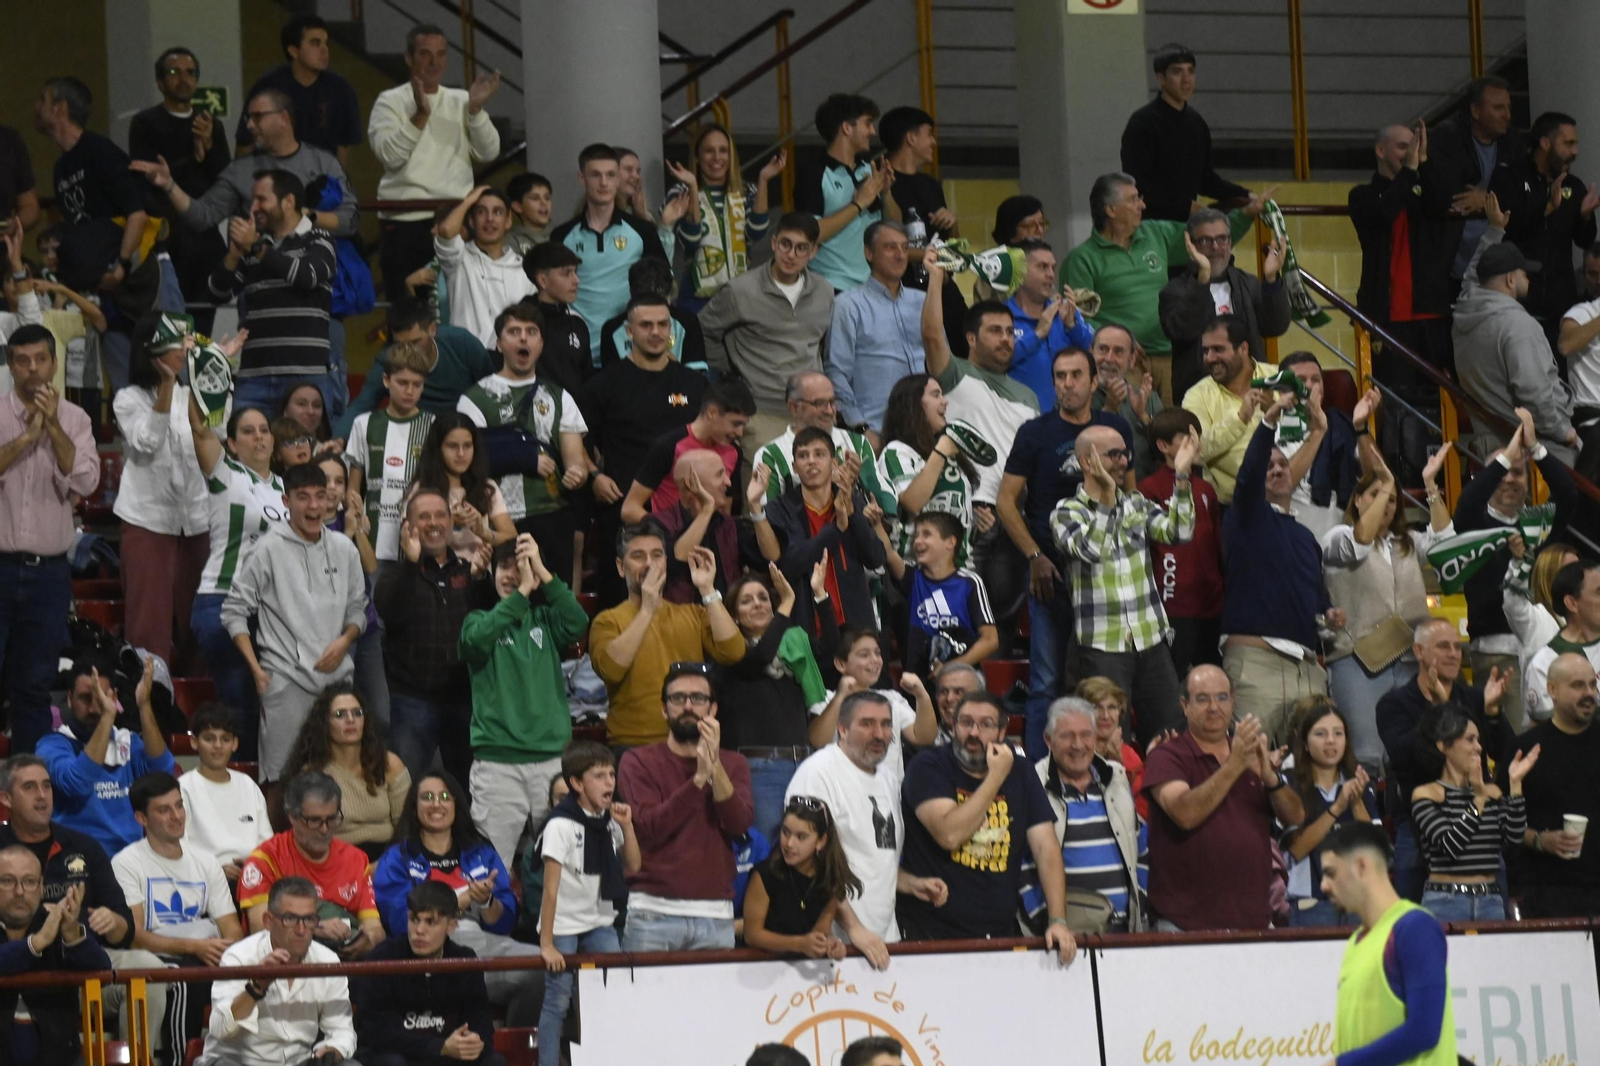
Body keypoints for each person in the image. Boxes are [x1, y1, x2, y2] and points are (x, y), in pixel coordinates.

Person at [999, 346, 1135, 757]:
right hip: (1051, 575)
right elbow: (1006, 502)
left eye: (1076, 375)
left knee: (1105, 681)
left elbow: (1131, 497)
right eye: (1060, 376)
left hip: (1104, 579)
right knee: (1045, 681)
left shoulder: (1114, 429)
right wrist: (1034, 556)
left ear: (1094, 383)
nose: (1067, 384)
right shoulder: (1034, 433)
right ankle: (1038, 771)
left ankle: (1111, 762)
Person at [921, 251, 1039, 655]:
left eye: (1009, 332)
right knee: (958, 617)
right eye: (994, 331)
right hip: (968, 514)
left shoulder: (1028, 396)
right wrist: (936, 279)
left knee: (1001, 622)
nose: (1006, 338)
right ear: (971, 339)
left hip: (1015, 515)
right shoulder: (954, 374)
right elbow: (932, 336)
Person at [1051, 423, 1198, 745]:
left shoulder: (1136, 503)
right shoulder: (1066, 512)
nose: (1123, 461)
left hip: (1150, 639)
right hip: (1102, 645)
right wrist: (1105, 501)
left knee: (1171, 734)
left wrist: (1182, 476)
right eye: (1113, 454)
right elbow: (1092, 550)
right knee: (1110, 737)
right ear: (1087, 462)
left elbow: (1180, 533)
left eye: (1125, 454)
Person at [900, 691, 1075, 959]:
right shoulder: (928, 766)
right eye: (966, 722)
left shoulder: (1022, 771)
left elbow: (1045, 848)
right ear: (953, 726)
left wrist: (1058, 920)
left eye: (986, 724)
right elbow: (949, 835)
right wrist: (995, 778)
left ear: (1002, 731)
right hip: (931, 933)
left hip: (1000, 931)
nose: (974, 732)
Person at [222, 462, 367, 785]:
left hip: (338, 684)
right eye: (303, 497)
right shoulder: (266, 549)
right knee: (283, 779)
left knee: (339, 780)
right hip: (285, 681)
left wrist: (345, 640)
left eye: (320, 496)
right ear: (286, 501)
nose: (314, 505)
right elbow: (233, 611)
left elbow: (358, 609)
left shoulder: (344, 548)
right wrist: (257, 671)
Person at [1064, 173, 1261, 402]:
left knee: (1175, 421)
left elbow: (1207, 237)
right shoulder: (1082, 259)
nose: (1142, 205)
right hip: (1124, 362)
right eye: (1133, 200)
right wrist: (1120, 338)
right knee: (1132, 421)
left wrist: (1246, 214)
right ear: (1111, 210)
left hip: (1171, 356)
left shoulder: (1155, 233)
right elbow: (1077, 316)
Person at [1142, 666, 1306, 931]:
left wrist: (1270, 777)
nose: (1213, 707)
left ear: (1233, 701)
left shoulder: (1251, 753)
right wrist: (1234, 765)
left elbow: (1295, 817)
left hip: (1254, 920)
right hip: (1184, 924)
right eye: (1202, 699)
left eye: (1221, 697)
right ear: (1184, 705)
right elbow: (1185, 814)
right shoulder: (1167, 756)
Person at [460, 535, 589, 867]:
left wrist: (543, 573)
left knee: (566, 866)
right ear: (491, 572)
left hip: (553, 761)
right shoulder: (477, 621)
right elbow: (476, 640)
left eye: (521, 568)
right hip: (498, 765)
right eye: (504, 567)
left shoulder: (545, 620)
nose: (511, 575)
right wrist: (522, 592)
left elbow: (578, 622)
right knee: (491, 870)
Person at [0, 755, 148, 1044]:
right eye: (29, 787)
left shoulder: (84, 846)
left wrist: (110, 922)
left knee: (146, 967)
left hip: (78, 957)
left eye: (46, 786)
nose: (42, 796)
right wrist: (37, 940)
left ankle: (143, 1058)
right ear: (6, 799)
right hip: (15, 955)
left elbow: (125, 929)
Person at [1220, 396, 1342, 744]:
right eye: (1268, 466)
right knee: (1252, 762)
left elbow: (1316, 595)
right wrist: (1269, 421)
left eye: (1283, 464)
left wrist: (1329, 613)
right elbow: (1249, 474)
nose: (1277, 470)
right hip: (1256, 665)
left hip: (1306, 667)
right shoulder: (1244, 519)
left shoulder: (1306, 537)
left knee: (1312, 764)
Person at [1322, 450, 1454, 769]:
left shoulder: (1406, 541)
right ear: (1357, 500)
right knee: (1367, 755)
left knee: (1415, 752)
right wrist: (1387, 483)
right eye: (1376, 494)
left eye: (1393, 499)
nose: (1387, 504)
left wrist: (1430, 485)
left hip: (1410, 661)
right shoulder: (1337, 537)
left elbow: (1446, 544)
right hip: (1357, 661)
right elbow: (1359, 543)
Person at [0, 325, 98, 755]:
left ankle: (27, 778)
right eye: (23, 360)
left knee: (35, 685)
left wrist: (53, 426)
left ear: (55, 364)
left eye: (41, 359)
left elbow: (87, 481)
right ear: (10, 365)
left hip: (49, 574)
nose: (33, 369)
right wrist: (26, 437)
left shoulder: (76, 420)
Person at [1454, 408, 1581, 728]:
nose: (1510, 478)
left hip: (1547, 645)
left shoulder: (1538, 523)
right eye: (1502, 472)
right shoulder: (1474, 524)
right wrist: (1507, 457)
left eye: (1517, 472)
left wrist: (1535, 448)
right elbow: (1467, 503)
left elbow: (1567, 495)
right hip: (1497, 652)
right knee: (1512, 743)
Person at [372, 770, 536, 1017]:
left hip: (482, 942)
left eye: (445, 797)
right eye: (427, 797)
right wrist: (463, 899)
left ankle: (521, 1040)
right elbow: (399, 921)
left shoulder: (481, 852)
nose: (437, 804)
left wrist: (486, 901)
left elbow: (504, 924)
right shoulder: (397, 857)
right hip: (427, 950)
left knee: (540, 965)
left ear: (457, 805)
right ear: (413, 807)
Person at [786, 691, 942, 948]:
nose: (879, 734)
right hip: (833, 942)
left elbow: (873, 856)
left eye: (886, 724)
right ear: (842, 729)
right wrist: (853, 927)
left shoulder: (888, 778)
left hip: (883, 936)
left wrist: (910, 883)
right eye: (867, 724)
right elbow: (805, 862)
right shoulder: (817, 773)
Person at [1376, 617, 1516, 902]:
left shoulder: (1475, 698)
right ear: (1419, 652)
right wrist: (1440, 710)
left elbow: (1505, 752)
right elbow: (1405, 756)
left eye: (1457, 647)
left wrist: (1492, 713)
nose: (1454, 654)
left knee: (1495, 924)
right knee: (1414, 919)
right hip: (1419, 826)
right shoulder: (1394, 704)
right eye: (1443, 646)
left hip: (1480, 824)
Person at [581, 295, 709, 604]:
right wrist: (595, 475)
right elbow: (576, 439)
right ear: (629, 331)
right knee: (620, 604)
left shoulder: (695, 384)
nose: (655, 332)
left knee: (686, 603)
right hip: (625, 509)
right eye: (646, 325)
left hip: (685, 512)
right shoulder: (604, 385)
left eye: (663, 324)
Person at [617, 664, 753, 950]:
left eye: (698, 698)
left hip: (716, 916)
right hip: (652, 913)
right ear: (664, 709)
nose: (688, 706)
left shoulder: (734, 763)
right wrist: (698, 779)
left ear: (712, 709)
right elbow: (650, 828)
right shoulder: (638, 761)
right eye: (678, 698)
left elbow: (739, 824)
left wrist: (714, 766)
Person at [112, 771, 245, 1058]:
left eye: (179, 805)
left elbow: (232, 929)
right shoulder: (126, 863)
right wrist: (193, 947)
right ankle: (178, 1059)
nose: (176, 816)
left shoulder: (206, 862)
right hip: (157, 955)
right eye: (164, 810)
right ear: (142, 818)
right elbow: (135, 937)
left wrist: (223, 951)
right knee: (186, 979)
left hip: (203, 951)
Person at [369, 23, 502, 303]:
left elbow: (489, 151)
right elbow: (390, 157)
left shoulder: (462, 100)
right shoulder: (389, 101)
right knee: (408, 312)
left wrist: (475, 110)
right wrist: (420, 115)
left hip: (456, 220)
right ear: (409, 58)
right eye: (425, 54)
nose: (434, 62)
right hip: (404, 222)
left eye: (441, 54)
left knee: (463, 306)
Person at [589, 520, 746, 749]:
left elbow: (734, 651)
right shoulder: (607, 621)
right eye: (638, 556)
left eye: (657, 555)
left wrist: (707, 589)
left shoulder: (693, 614)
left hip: (692, 742)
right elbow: (611, 670)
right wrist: (647, 609)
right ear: (621, 567)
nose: (649, 563)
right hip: (634, 747)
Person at [373, 489, 493, 785]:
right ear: (408, 526)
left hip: (464, 699)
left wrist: (482, 580)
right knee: (404, 788)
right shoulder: (395, 573)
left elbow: (490, 624)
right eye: (423, 516)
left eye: (440, 515)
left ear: (451, 522)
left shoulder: (470, 570)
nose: (433, 522)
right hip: (413, 699)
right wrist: (412, 563)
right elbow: (391, 612)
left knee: (469, 788)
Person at [204, 169, 343, 417]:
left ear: (288, 201)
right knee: (244, 440)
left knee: (304, 442)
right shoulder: (254, 245)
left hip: (305, 377)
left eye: (261, 199)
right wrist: (234, 254)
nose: (253, 208)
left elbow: (307, 276)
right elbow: (217, 294)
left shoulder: (320, 238)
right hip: (254, 377)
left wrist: (258, 249)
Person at [534, 742, 639, 1066]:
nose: (609, 782)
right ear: (577, 783)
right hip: (563, 923)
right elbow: (550, 890)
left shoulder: (609, 821)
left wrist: (627, 826)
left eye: (611, 774)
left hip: (599, 919)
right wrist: (547, 944)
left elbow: (634, 865)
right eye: (599, 776)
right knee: (558, 1000)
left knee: (611, 991)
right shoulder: (560, 825)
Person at [1319, 822, 1458, 1065]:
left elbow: (1424, 1031)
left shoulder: (1414, 927)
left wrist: (1343, 1064)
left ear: (1361, 867)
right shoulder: (1356, 942)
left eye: (1331, 873)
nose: (1323, 885)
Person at [1453, 197, 1578, 463]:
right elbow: (1534, 394)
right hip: (1538, 449)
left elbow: (1473, 276)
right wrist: (1563, 432)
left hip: (1491, 445)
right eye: (1523, 273)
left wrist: (1495, 229)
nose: (1528, 278)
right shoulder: (1517, 325)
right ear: (1510, 279)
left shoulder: (1465, 311)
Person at [700, 212, 834, 443]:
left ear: (813, 252)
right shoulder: (740, 291)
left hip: (813, 412)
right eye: (785, 244)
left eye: (801, 248)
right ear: (773, 243)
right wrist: (730, 369)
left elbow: (820, 345)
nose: (791, 254)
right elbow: (702, 329)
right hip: (761, 412)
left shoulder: (824, 290)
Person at [716, 566, 829, 840]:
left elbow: (831, 650)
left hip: (803, 764)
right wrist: (786, 603)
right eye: (746, 601)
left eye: (763, 597)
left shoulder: (793, 647)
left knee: (809, 851)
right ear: (734, 616)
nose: (757, 604)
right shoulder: (730, 655)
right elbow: (761, 656)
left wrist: (820, 594)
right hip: (759, 770)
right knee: (769, 852)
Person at [198, 876, 357, 1066]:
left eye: (308, 919)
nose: (301, 930)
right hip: (236, 1062)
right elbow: (220, 1029)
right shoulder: (239, 957)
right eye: (290, 919)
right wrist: (256, 987)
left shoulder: (328, 961)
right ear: (268, 921)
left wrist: (330, 1053)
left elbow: (342, 1031)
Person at [1349, 121, 1458, 388]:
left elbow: (1442, 202)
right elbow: (1384, 212)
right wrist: (1409, 172)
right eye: (1402, 147)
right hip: (1385, 316)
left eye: (1414, 147)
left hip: (1431, 315)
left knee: (1436, 397)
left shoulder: (1422, 191)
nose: (1410, 153)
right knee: (1393, 396)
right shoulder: (1362, 195)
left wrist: (1425, 162)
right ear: (1380, 150)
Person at [755, 428, 889, 639]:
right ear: (794, 467)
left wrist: (852, 515)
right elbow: (789, 566)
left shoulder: (852, 501)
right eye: (803, 456)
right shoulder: (780, 509)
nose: (811, 461)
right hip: (808, 629)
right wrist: (836, 530)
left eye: (819, 454)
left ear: (834, 463)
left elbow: (876, 557)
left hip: (856, 628)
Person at [353, 881, 504, 1066]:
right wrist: (438, 1046)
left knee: (492, 1061)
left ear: (452, 925)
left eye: (430, 922)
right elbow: (375, 1032)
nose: (419, 931)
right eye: (414, 919)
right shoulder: (382, 958)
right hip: (400, 1054)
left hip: (447, 1054)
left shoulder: (464, 959)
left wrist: (473, 1041)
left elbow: (481, 1021)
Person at [129, 47, 231, 319]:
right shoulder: (145, 123)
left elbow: (223, 178)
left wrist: (208, 145)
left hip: (205, 238)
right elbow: (147, 177)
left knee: (203, 318)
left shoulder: (210, 123)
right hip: (167, 237)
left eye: (190, 72)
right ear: (160, 82)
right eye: (174, 72)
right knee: (171, 321)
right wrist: (194, 158)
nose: (184, 79)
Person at [39, 656, 176, 856]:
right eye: (85, 698)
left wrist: (144, 705)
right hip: (76, 859)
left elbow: (163, 774)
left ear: (114, 698)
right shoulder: (53, 745)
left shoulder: (127, 741)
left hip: (130, 858)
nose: (95, 707)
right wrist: (107, 717)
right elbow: (76, 784)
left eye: (102, 697)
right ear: (69, 698)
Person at [33, 78, 151, 309]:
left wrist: (121, 266)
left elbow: (137, 215)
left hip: (143, 278)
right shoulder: (61, 169)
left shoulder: (98, 149)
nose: (36, 106)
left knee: (170, 334)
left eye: (43, 99)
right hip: (105, 287)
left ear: (60, 108)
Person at [238, 772, 384, 957]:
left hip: (345, 960)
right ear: (292, 817)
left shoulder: (356, 859)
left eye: (332, 819)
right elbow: (260, 927)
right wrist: (313, 928)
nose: (324, 829)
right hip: (282, 960)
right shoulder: (265, 860)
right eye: (314, 821)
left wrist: (368, 939)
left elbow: (375, 928)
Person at [1411, 705, 1535, 921]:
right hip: (1445, 901)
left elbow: (1513, 839)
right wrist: (1478, 800)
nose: (1478, 747)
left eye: (1478, 740)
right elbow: (1450, 845)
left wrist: (1515, 786)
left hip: (1491, 900)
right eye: (1470, 740)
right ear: (1444, 746)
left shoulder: (1491, 792)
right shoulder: (1427, 794)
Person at [1037, 698, 1148, 931]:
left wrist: (1141, 898)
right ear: (1048, 740)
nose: (1078, 745)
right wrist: (1043, 921)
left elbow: (1141, 845)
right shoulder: (1034, 785)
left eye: (1086, 735)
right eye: (1067, 736)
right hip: (1063, 936)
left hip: (1126, 931)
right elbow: (1022, 864)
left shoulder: (1117, 778)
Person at [1160, 208, 1289, 402]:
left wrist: (1271, 280)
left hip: (1251, 391)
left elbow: (1275, 326)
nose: (1216, 247)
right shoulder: (1174, 290)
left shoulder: (1248, 283)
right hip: (1200, 396)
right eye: (1206, 240)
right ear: (1191, 245)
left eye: (1222, 239)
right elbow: (1184, 329)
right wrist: (1203, 277)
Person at [1494, 111, 1600, 343]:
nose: (1575, 151)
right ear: (1545, 143)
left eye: (1576, 144)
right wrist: (1547, 208)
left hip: (1561, 303)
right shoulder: (1510, 177)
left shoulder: (1573, 185)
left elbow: (1584, 240)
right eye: (1568, 143)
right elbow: (1507, 229)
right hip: (1518, 302)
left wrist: (1585, 217)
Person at [549, 143, 671, 344]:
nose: (604, 183)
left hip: (627, 345)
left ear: (618, 180)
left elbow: (664, 284)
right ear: (582, 178)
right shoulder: (562, 235)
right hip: (577, 344)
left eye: (611, 175)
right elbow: (551, 293)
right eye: (595, 175)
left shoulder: (643, 230)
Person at [0, 848, 111, 1066]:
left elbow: (102, 971)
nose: (19, 891)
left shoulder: (56, 923)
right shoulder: (47, 931)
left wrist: (72, 935)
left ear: (42, 887)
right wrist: (36, 943)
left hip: (61, 1059)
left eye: (29, 881)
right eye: (7, 881)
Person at [1119, 43, 1251, 224]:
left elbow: (1206, 179)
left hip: (1187, 226)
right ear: (1161, 78)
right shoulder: (1142, 123)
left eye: (1191, 71)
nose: (1186, 79)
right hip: (1151, 227)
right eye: (1177, 72)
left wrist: (1246, 195)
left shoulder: (1197, 123)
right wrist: (1187, 206)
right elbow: (1139, 184)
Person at [1510, 653, 1600, 917]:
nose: (1589, 693)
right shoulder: (1526, 749)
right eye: (1577, 685)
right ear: (1552, 690)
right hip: (1546, 891)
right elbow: (1502, 822)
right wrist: (1540, 840)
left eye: (1592, 685)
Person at [1139, 408, 1224, 678]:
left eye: (1197, 438)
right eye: (1187, 439)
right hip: (1172, 603)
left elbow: (1216, 546)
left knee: (1210, 676)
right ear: (1163, 446)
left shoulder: (1206, 489)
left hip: (1210, 603)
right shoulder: (1149, 489)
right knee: (1172, 679)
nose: (1196, 445)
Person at [1279, 699, 1377, 928]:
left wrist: (1356, 803)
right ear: (1304, 743)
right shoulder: (1288, 784)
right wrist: (1336, 808)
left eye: (1338, 733)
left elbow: (1374, 850)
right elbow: (1296, 849)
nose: (1331, 740)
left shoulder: (1361, 783)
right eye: (1320, 734)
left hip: (1356, 902)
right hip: (1311, 905)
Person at [281, 684, 410, 859]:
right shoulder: (311, 774)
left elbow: (406, 827)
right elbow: (309, 836)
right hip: (337, 859)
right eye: (340, 714)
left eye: (357, 713)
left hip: (388, 858)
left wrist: (387, 864)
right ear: (324, 723)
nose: (350, 720)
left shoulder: (389, 764)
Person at [339, 298, 495, 437]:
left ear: (432, 329)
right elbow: (362, 404)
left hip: (468, 431)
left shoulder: (463, 343)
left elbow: (492, 392)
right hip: (417, 436)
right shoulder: (390, 359)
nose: (409, 350)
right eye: (401, 344)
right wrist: (339, 439)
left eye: (415, 342)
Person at [743, 795, 871, 964]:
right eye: (785, 832)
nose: (789, 843)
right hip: (761, 968)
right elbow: (752, 935)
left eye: (801, 837)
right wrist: (798, 944)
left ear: (821, 841)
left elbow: (820, 934)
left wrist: (831, 944)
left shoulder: (829, 878)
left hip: (803, 973)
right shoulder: (765, 874)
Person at [671, 123, 785, 311]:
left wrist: (763, 180)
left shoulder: (747, 191)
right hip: (696, 296)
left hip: (739, 294)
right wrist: (693, 188)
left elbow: (756, 233)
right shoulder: (681, 192)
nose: (717, 157)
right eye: (709, 151)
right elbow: (691, 240)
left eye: (723, 150)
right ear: (697, 157)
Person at [828, 221, 926, 441]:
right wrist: (860, 427)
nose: (900, 255)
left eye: (904, 248)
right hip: (876, 430)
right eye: (890, 247)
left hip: (924, 429)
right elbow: (836, 372)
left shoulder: (922, 302)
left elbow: (942, 365)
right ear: (869, 253)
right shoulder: (848, 305)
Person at [756, 370, 896, 517]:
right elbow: (769, 517)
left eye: (832, 402)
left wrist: (863, 478)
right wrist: (826, 485)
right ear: (794, 407)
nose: (829, 411)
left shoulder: (856, 443)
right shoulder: (771, 454)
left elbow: (886, 498)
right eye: (819, 403)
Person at [806, 628, 937, 784]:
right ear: (841, 664)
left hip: (889, 795)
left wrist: (922, 696)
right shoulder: (826, 700)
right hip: (842, 792)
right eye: (864, 655)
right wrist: (840, 697)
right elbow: (818, 741)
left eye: (877, 653)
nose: (875, 660)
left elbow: (923, 737)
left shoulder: (892, 699)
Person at [797, 94, 898, 293]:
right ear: (846, 128)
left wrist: (886, 193)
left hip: (872, 285)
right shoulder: (814, 173)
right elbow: (809, 234)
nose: (872, 131)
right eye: (867, 123)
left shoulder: (869, 170)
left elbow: (896, 227)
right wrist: (857, 205)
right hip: (830, 287)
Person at [346, 340, 435, 563]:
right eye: (402, 383)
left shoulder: (432, 425)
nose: (410, 391)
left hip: (417, 540)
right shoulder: (363, 424)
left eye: (417, 384)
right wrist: (357, 519)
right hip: (372, 539)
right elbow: (353, 488)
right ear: (386, 380)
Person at [620, 378, 753, 521]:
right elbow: (629, 509)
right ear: (712, 413)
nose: (740, 433)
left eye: (743, 425)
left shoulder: (734, 452)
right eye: (736, 424)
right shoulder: (668, 446)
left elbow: (725, 509)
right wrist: (666, 530)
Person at [877, 372, 977, 564]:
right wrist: (940, 452)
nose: (945, 402)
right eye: (935, 395)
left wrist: (978, 520)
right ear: (913, 404)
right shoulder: (897, 452)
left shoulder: (948, 452)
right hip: (915, 568)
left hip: (960, 567)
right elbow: (912, 502)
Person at [237, 15, 362, 163]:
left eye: (326, 43)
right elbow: (245, 143)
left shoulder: (341, 89)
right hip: (274, 172)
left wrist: (336, 177)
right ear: (294, 51)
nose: (324, 50)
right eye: (315, 43)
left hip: (321, 173)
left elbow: (343, 146)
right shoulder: (267, 88)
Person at [890, 510, 997, 681]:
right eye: (916, 535)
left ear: (950, 543)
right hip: (918, 683)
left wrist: (950, 669)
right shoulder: (913, 578)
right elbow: (888, 553)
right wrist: (876, 525)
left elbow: (990, 640)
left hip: (960, 682)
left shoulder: (969, 583)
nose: (917, 541)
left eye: (926, 534)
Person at [1431, 75, 1516, 288]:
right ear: (1476, 111)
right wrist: (1497, 200)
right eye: (1498, 108)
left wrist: (1486, 199)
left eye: (1508, 107)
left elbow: (1520, 194)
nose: (1507, 115)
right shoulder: (1448, 136)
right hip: (1452, 265)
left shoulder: (1511, 141)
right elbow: (1446, 198)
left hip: (1499, 265)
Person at [1181, 315, 1274, 504]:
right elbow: (1196, 449)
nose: (1209, 358)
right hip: (1231, 505)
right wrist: (1239, 418)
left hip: (1288, 497)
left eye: (1218, 349)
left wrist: (1274, 415)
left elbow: (1303, 431)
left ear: (1243, 349)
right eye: (1205, 351)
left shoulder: (1276, 376)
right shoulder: (1197, 395)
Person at [178, 703, 272, 885]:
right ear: (194, 742)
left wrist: (254, 866)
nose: (218, 746)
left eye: (225, 739)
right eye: (209, 739)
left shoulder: (247, 784)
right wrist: (215, 871)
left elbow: (266, 843)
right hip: (204, 881)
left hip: (253, 877)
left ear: (235, 744)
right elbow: (179, 849)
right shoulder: (183, 788)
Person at [434, 185, 537, 348]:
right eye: (481, 212)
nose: (490, 219)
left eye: (497, 212)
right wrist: (469, 200)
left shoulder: (524, 270)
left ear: (508, 220)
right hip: (466, 356)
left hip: (508, 357)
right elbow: (446, 231)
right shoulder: (459, 260)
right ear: (471, 221)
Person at [1002, 239, 1095, 412]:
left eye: (1053, 268)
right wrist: (1037, 335)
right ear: (1019, 271)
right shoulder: (1001, 317)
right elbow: (994, 363)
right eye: (1042, 267)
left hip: (1069, 417)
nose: (1051, 274)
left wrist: (1072, 326)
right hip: (1019, 417)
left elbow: (1095, 355)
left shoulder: (1067, 312)